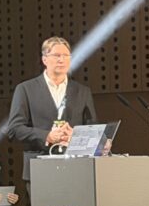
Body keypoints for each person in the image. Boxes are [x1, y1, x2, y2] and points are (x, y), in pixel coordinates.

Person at [6, 36, 98, 178]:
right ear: (44, 60)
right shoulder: (26, 89)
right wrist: (47, 136)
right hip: (39, 167)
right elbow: (15, 129)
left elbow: (93, 130)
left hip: (75, 168)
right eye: (56, 55)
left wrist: (75, 135)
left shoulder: (82, 91)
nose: (61, 60)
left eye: (66, 56)